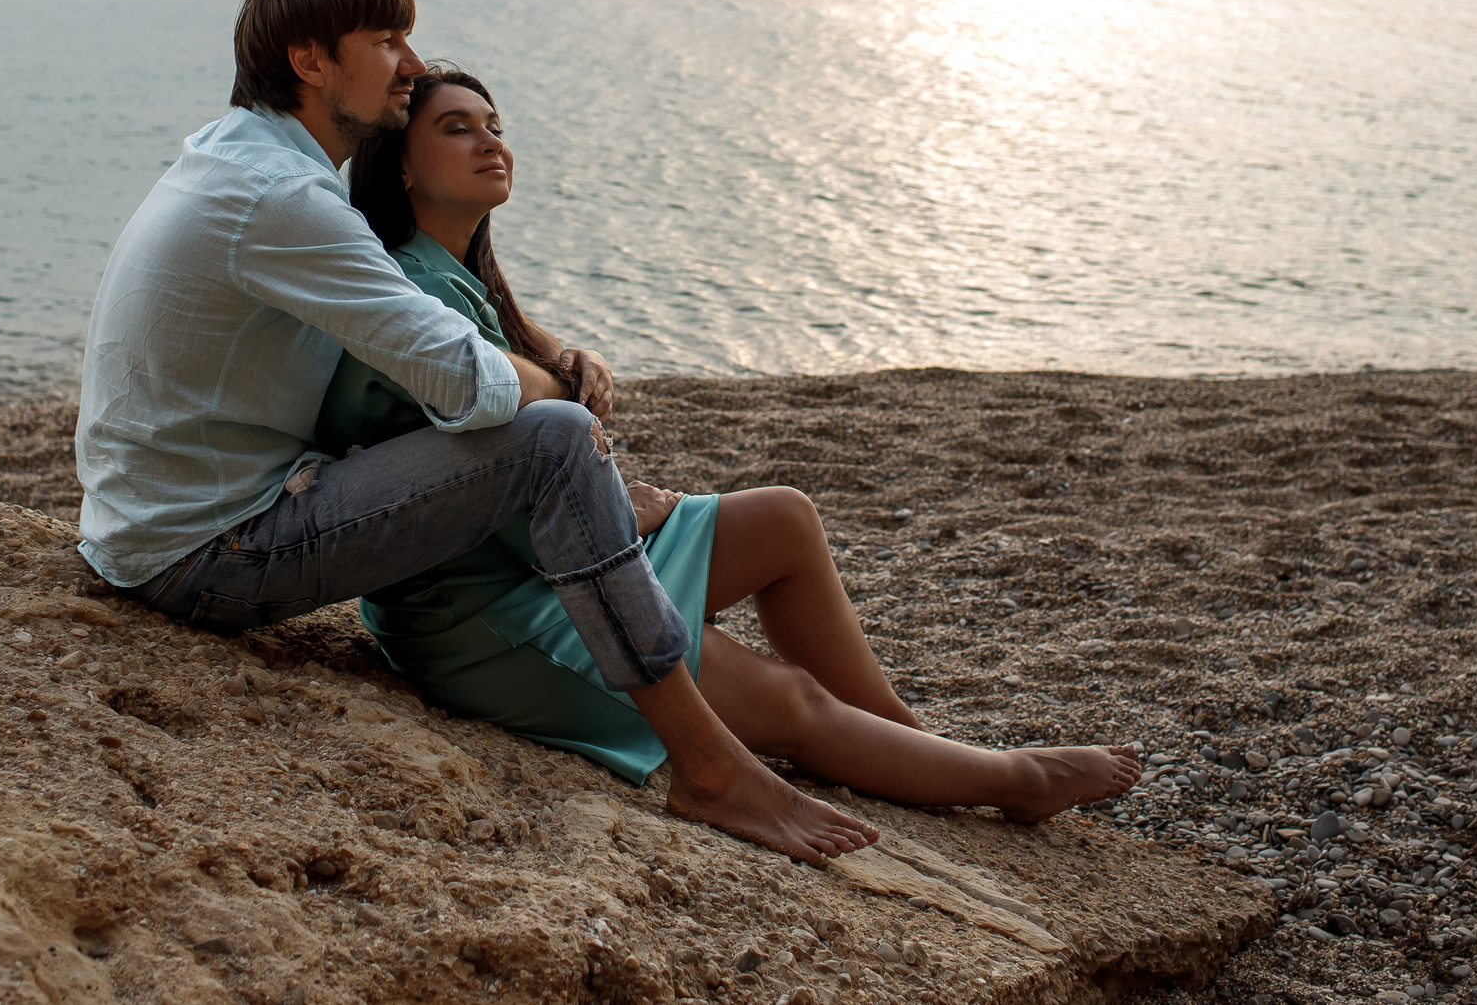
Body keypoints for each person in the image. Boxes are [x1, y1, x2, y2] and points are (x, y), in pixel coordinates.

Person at [74, 0, 875, 863]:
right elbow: (471, 380)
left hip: (151, 525)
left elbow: (426, 315)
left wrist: (537, 342)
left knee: (557, 436)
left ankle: (794, 735)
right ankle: (708, 766)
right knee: (557, 438)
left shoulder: (239, 161)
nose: (408, 63)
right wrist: (554, 383)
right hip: (208, 553)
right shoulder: (283, 198)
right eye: (385, 41)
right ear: (309, 61)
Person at [319, 63, 1141, 821]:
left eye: (493, 122)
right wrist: (626, 512)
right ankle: (1013, 783)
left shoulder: (454, 277)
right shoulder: (418, 304)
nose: (491, 140)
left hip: (545, 561)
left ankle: (908, 740)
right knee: (787, 699)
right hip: (491, 613)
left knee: (784, 517)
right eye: (458, 128)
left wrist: (577, 390)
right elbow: (487, 497)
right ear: (400, 164)